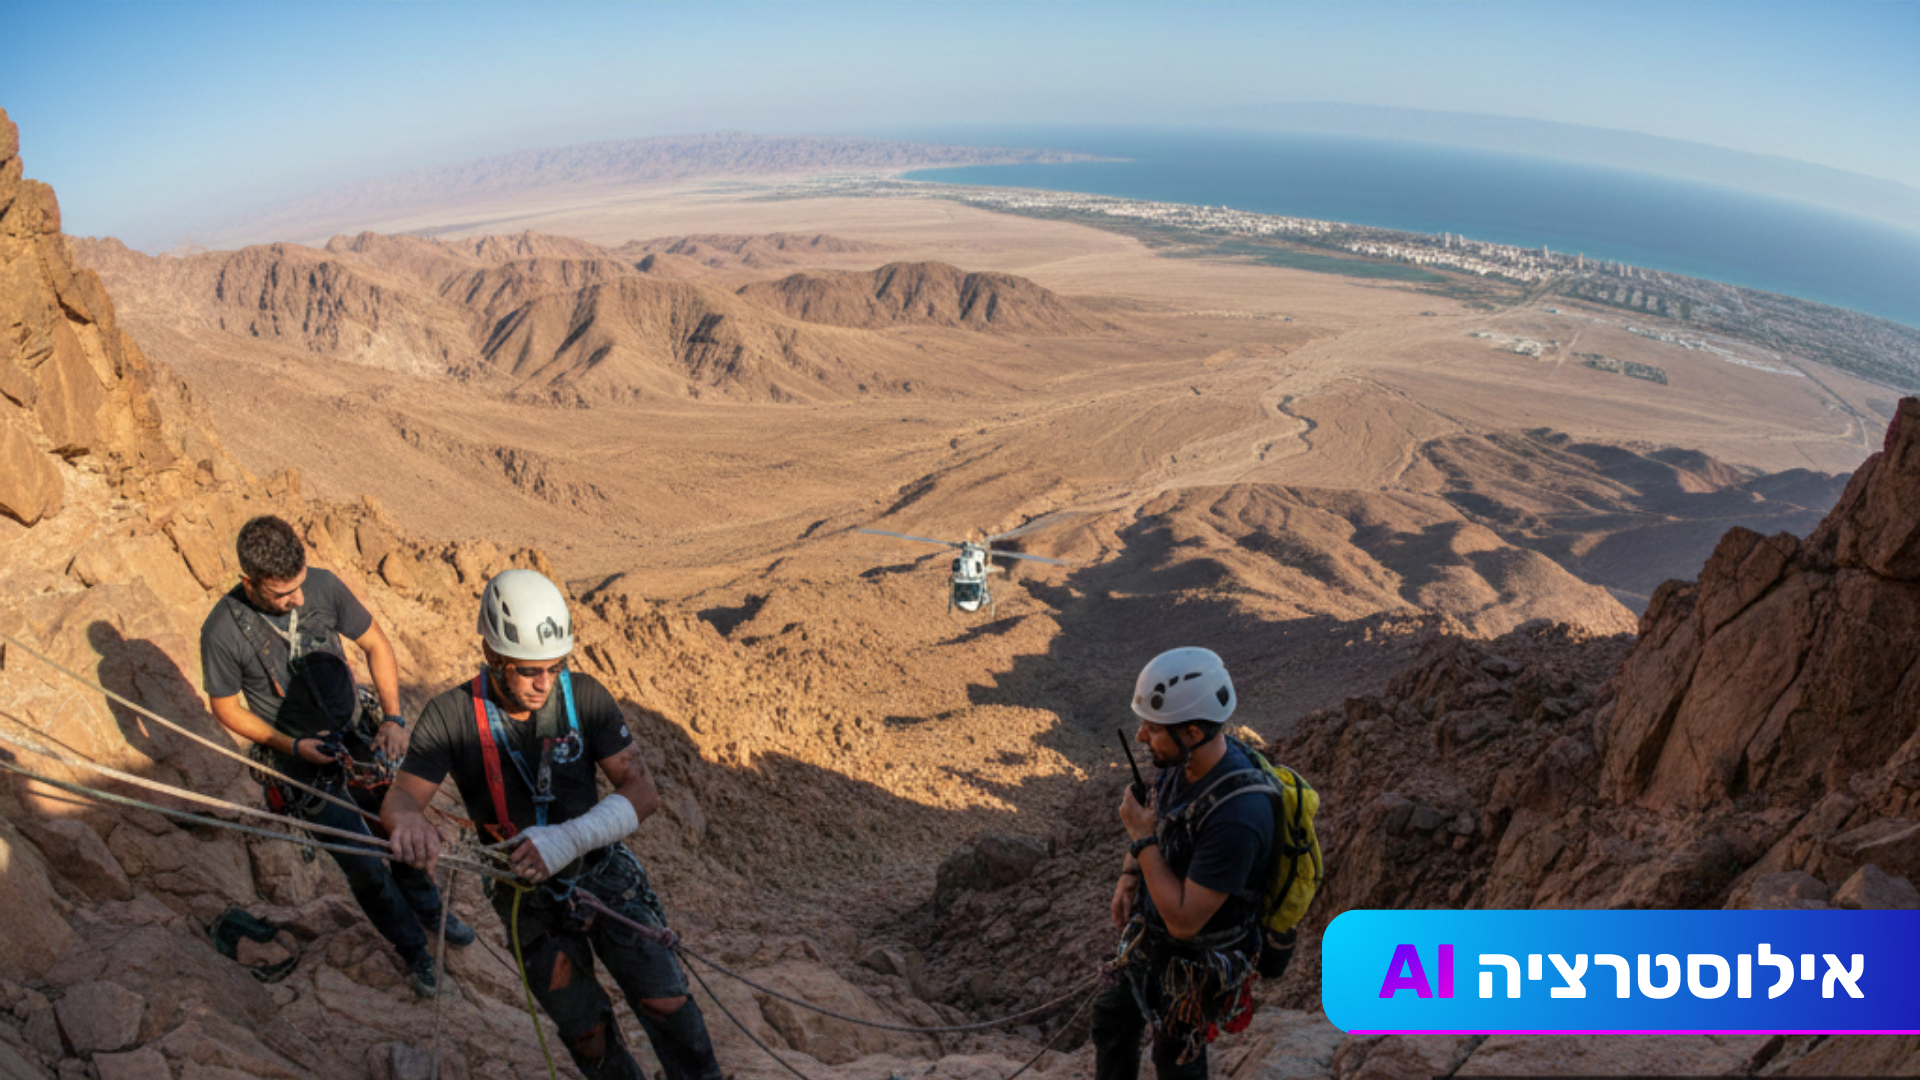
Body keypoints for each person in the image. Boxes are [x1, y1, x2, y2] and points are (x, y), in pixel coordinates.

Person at [383, 569, 722, 1080]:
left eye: (555, 666)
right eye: (527, 670)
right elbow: (403, 797)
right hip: (525, 895)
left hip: (602, 873)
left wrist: (567, 839)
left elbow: (642, 793)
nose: (545, 682)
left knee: (664, 1000)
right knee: (586, 1033)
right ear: (493, 657)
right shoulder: (452, 715)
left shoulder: (582, 697)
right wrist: (409, 823)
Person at [199, 514, 471, 998]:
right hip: (302, 762)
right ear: (250, 583)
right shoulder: (223, 630)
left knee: (399, 825)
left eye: (300, 586)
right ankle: (413, 949)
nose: (298, 600)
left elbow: (374, 642)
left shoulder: (322, 588)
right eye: (283, 594)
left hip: (356, 739)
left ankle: (431, 911)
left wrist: (393, 718)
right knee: (363, 865)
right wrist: (291, 746)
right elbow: (226, 708)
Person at [1092, 647, 1275, 1080]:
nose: (1139, 737)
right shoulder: (1184, 764)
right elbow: (1163, 818)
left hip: (1194, 959)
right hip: (1152, 939)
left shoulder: (1239, 816)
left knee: (1174, 1055)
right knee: (1112, 1019)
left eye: (1151, 729)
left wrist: (1141, 839)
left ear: (1192, 731)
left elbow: (1185, 921)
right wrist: (1129, 872)